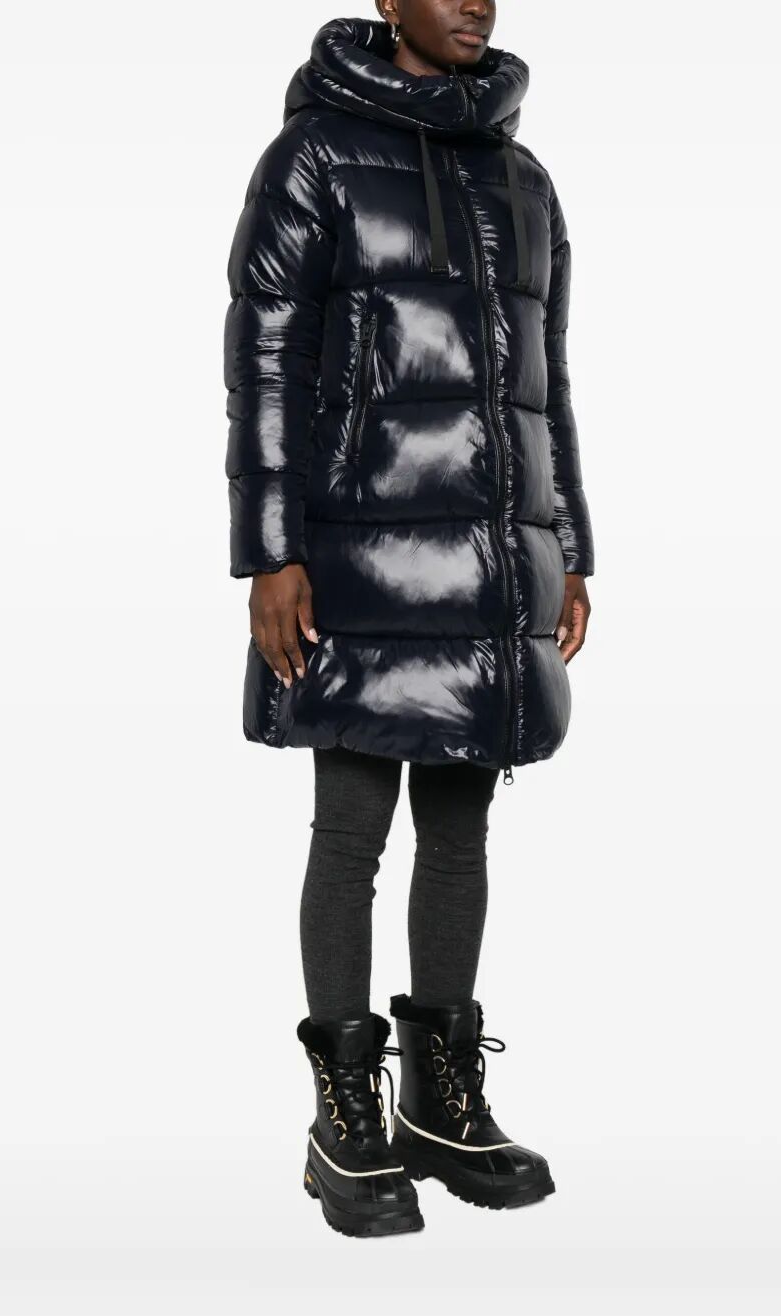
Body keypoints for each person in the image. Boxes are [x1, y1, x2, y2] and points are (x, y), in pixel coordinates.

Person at [223, 2, 593, 1238]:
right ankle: (344, 1116)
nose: (475, 2)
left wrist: (567, 544)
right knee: (351, 830)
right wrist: (270, 551)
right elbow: (263, 359)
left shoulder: (522, 179)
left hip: (490, 558)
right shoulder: (315, 156)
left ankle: (441, 1101)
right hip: (353, 550)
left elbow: (546, 382)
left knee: (460, 828)